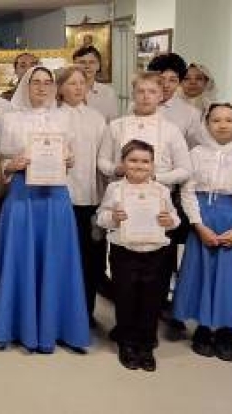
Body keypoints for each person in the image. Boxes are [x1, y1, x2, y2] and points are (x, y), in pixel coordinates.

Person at [0, 66, 90, 353]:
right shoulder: (10, 119)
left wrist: (69, 161)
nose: (42, 87)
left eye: (47, 82)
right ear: (26, 85)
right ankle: (16, 326)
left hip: (55, 196)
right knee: (20, 257)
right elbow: (1, 161)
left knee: (56, 258)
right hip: (22, 194)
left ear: (54, 87)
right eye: (36, 82)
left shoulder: (64, 117)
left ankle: (57, 327)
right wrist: (12, 165)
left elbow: (71, 156)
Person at [98, 71, 192, 341]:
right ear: (133, 94)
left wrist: (154, 178)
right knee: (125, 277)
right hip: (123, 203)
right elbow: (102, 161)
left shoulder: (171, 129)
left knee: (155, 278)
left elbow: (185, 169)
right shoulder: (116, 126)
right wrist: (118, 169)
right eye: (140, 91)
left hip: (158, 206)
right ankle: (125, 328)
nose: (146, 96)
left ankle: (146, 332)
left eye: (152, 92)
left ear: (161, 95)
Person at [97, 139, 180, 371]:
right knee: (125, 298)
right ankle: (127, 343)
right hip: (124, 252)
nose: (139, 165)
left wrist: (170, 221)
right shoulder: (115, 189)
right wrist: (113, 218)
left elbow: (175, 218)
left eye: (145, 161)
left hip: (155, 253)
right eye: (133, 160)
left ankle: (146, 345)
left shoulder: (161, 191)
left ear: (153, 165)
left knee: (151, 300)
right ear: (123, 163)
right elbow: (101, 216)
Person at [173, 103, 232, 362]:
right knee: (202, 272)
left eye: (229, 120)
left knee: (228, 276)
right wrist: (198, 225)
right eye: (216, 120)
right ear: (207, 124)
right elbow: (187, 191)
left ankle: (226, 331)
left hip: (230, 219)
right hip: (203, 219)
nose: (223, 125)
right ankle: (203, 328)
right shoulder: (196, 153)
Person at [56, 66, 108, 327]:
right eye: (71, 83)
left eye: (81, 83)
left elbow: (104, 158)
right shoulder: (54, 117)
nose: (78, 87)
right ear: (60, 88)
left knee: (92, 259)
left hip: (93, 197)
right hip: (62, 197)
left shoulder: (97, 118)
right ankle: (63, 313)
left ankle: (86, 312)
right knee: (66, 258)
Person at [147, 53, 204, 148]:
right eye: (161, 79)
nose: (166, 85)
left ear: (179, 82)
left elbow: (193, 149)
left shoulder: (191, 113)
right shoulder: (136, 106)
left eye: (172, 80)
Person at [73, 46, 119, 122]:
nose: (87, 66)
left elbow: (113, 123)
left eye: (92, 62)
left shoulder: (108, 93)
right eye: (82, 62)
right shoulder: (64, 92)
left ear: (98, 66)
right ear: (74, 65)